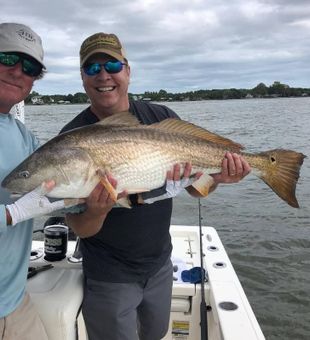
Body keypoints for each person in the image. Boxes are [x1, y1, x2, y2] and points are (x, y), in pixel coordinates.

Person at [61, 32, 251, 340]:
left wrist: (216, 177)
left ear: (128, 70)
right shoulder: (72, 140)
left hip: (161, 263)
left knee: (157, 334)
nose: (104, 75)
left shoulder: (160, 116)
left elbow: (192, 187)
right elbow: (80, 227)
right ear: (83, 78)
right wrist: (97, 211)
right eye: (92, 69)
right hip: (110, 275)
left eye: (112, 64)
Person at [0, 22, 75, 340]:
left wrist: (149, 188)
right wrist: (11, 213)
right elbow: (22, 206)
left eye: (29, 66)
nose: (18, 71)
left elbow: (57, 193)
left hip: (14, 302)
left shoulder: (24, 137)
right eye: (7, 59)